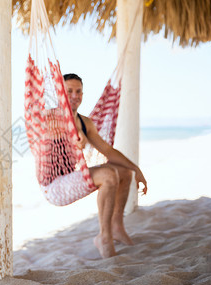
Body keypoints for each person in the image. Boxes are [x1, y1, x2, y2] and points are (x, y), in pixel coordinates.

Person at [63, 73, 148, 259]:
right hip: (57, 182)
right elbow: (44, 131)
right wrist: (74, 138)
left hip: (75, 175)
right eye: (69, 91)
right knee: (109, 175)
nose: (75, 95)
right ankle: (104, 236)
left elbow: (108, 152)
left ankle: (116, 227)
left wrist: (137, 169)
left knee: (124, 172)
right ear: (61, 92)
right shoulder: (52, 118)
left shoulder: (86, 123)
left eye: (78, 91)